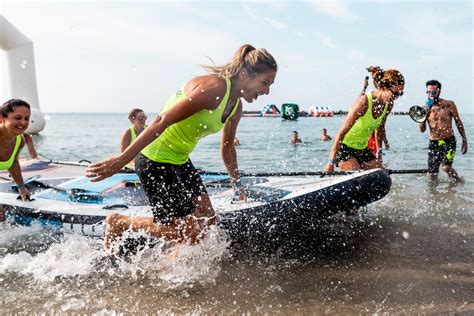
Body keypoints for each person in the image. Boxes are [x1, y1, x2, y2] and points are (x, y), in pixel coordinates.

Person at [86, 44, 277, 253]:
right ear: (244, 74)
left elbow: (228, 148)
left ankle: (175, 270)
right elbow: (162, 119)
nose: (267, 91)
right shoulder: (215, 88)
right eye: (264, 83)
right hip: (154, 158)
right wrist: (122, 159)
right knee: (182, 231)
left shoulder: (236, 107)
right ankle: (119, 223)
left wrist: (236, 184)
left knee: (207, 222)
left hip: (179, 159)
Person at [324, 66, 404, 172]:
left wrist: (379, 152)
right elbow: (341, 133)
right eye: (396, 93)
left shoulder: (388, 105)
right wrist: (331, 162)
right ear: (384, 86)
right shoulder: (364, 102)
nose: (397, 97)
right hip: (344, 147)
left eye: (401, 94)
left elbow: (380, 128)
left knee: (382, 177)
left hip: (362, 149)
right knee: (357, 180)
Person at [419, 80, 468, 182]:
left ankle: (458, 182)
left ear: (439, 91)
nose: (431, 94)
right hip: (434, 142)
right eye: (428, 92)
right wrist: (422, 118)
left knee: (446, 167)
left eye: (433, 91)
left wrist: (464, 140)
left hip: (449, 140)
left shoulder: (449, 104)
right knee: (432, 174)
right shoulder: (424, 108)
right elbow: (422, 130)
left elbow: (458, 122)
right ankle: (434, 196)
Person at [0, 99, 33, 221]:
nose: (23, 123)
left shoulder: (20, 140)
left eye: (26, 118)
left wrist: (21, 187)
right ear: (2, 118)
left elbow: (13, 163)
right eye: (18, 118)